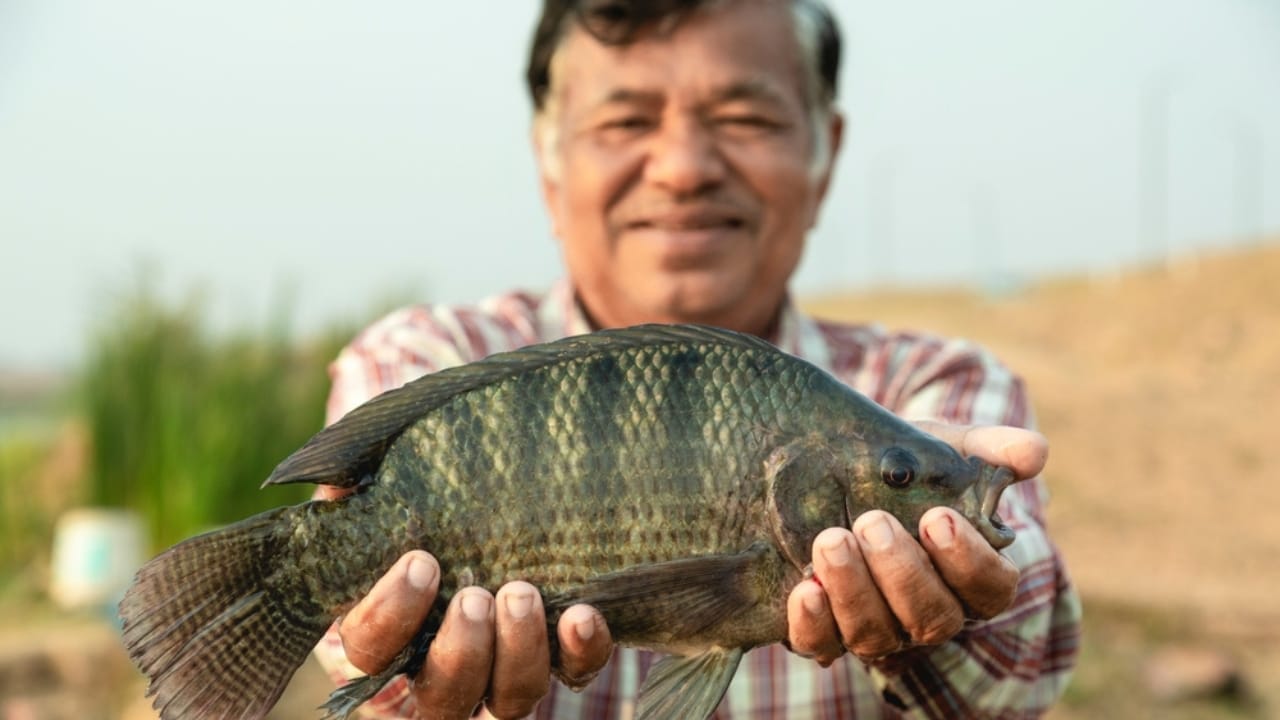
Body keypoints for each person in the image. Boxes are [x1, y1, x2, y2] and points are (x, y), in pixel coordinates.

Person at [314, 0, 1082, 717]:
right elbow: (353, 645)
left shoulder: (941, 384)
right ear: (549, 166)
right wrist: (400, 674)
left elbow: (1027, 652)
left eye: (744, 117)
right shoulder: (425, 359)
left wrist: (968, 603)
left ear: (825, 153)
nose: (682, 168)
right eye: (625, 120)